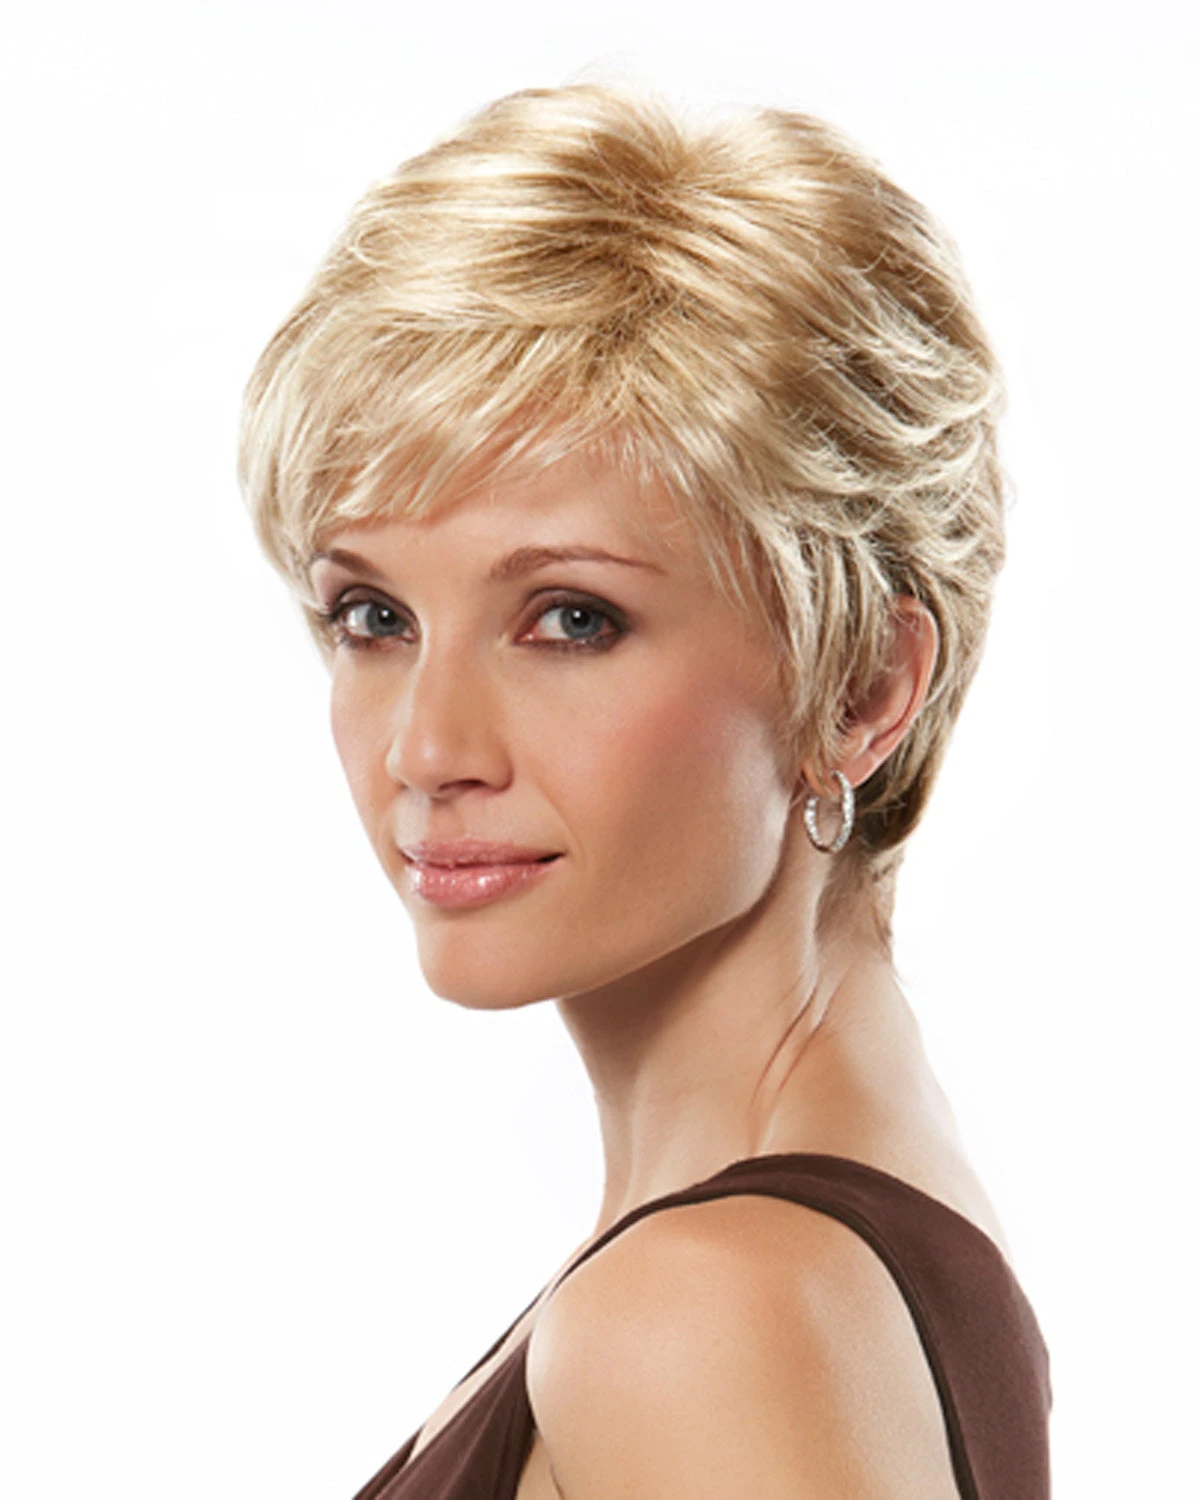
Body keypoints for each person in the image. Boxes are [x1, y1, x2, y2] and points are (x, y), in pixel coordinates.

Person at [239, 84, 1051, 1500]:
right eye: (374, 617)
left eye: (571, 619)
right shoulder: (823, 1255)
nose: (427, 748)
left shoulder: (705, 1315)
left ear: (861, 685)